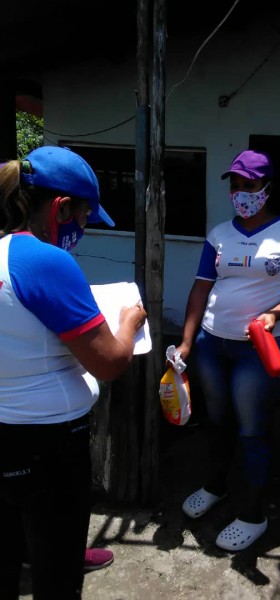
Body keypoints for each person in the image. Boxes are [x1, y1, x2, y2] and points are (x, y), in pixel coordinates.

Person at [0, 146, 147, 600]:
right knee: (58, 571)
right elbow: (110, 360)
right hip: (49, 444)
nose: (82, 230)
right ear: (61, 207)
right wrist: (128, 322)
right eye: (83, 218)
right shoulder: (45, 261)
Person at [176, 149, 280, 551]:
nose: (240, 193)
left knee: (253, 429)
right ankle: (216, 486)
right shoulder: (219, 234)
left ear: (267, 188)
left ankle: (254, 514)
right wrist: (187, 340)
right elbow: (201, 287)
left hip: (258, 349)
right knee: (216, 421)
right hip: (210, 343)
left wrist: (275, 313)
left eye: (248, 185)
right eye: (235, 185)